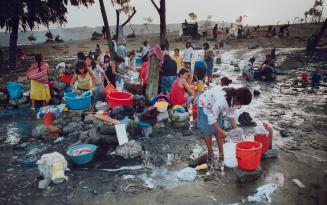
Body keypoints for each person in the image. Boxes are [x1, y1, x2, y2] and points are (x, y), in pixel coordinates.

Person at [197, 86, 252, 160]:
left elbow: (231, 116)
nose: (240, 105)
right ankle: (211, 153)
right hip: (206, 103)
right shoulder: (223, 100)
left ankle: (221, 153)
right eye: (241, 103)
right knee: (208, 131)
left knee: (218, 131)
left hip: (215, 105)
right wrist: (222, 132)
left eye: (242, 104)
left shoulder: (236, 101)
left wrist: (238, 133)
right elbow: (211, 119)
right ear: (236, 98)